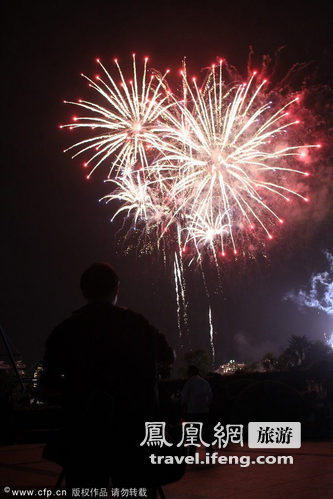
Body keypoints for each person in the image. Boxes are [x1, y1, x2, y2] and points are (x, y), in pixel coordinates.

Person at [41, 262, 174, 496]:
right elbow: (168, 356)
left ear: (84, 291)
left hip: (85, 436)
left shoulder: (67, 329)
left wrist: (79, 394)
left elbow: (48, 382)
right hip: (133, 434)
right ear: (116, 289)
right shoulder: (137, 325)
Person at [181, 365, 213, 455]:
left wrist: (183, 406)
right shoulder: (205, 382)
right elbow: (210, 397)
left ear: (190, 373)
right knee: (206, 432)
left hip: (192, 412)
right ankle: (209, 450)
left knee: (193, 433)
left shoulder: (189, 383)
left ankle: (192, 452)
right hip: (204, 411)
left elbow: (184, 397)